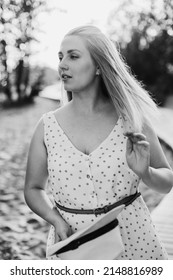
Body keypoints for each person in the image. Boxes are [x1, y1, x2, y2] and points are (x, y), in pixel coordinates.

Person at [24, 25, 173, 260]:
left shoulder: (132, 119)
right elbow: (33, 189)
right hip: (73, 245)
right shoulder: (47, 126)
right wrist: (55, 220)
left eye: (73, 56)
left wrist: (146, 173)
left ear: (98, 67)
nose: (62, 64)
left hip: (135, 241)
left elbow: (167, 182)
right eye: (61, 57)